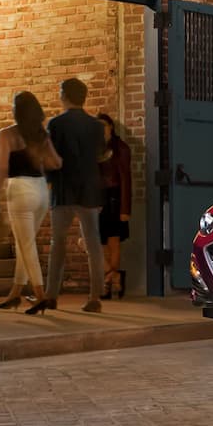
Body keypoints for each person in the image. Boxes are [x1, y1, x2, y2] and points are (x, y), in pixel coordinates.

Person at [35, 78, 106, 315]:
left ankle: (52, 295)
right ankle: (95, 296)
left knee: (58, 245)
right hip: (89, 189)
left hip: (63, 188)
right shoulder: (96, 126)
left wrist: (48, 182)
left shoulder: (55, 124)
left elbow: (49, 157)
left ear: (64, 95)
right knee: (93, 244)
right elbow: (99, 156)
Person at [0, 92, 63, 313]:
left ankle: (41, 296)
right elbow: (57, 163)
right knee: (25, 243)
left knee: (26, 245)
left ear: (16, 110)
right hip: (41, 190)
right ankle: (15, 293)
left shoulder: (7, 134)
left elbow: (3, 166)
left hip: (19, 190)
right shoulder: (42, 135)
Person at [96, 114, 132, 299]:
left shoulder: (121, 148)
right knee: (95, 242)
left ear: (110, 126)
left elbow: (126, 179)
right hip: (97, 199)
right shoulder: (93, 148)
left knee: (113, 241)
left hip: (114, 198)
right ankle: (114, 275)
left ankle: (108, 282)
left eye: (103, 125)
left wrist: (125, 209)